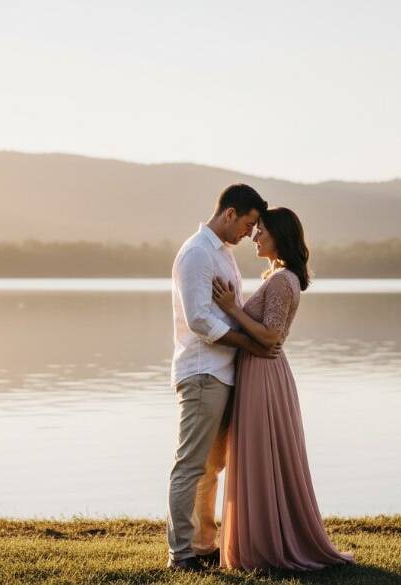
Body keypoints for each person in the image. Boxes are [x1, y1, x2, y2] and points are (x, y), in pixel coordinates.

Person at [214, 207, 356, 571]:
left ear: (279, 236)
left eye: (261, 230)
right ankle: (262, 537)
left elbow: (271, 334)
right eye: (255, 229)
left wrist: (232, 308)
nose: (255, 236)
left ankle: (267, 545)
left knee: (262, 454)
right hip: (262, 370)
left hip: (264, 373)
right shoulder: (280, 277)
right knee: (262, 455)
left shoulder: (282, 281)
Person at [166, 183, 278, 572]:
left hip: (223, 373)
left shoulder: (223, 254)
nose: (250, 233)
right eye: (248, 224)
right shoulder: (197, 253)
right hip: (202, 373)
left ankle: (203, 546)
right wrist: (248, 342)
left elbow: (230, 309)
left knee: (211, 468)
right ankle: (180, 554)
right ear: (230, 213)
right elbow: (199, 319)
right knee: (191, 464)